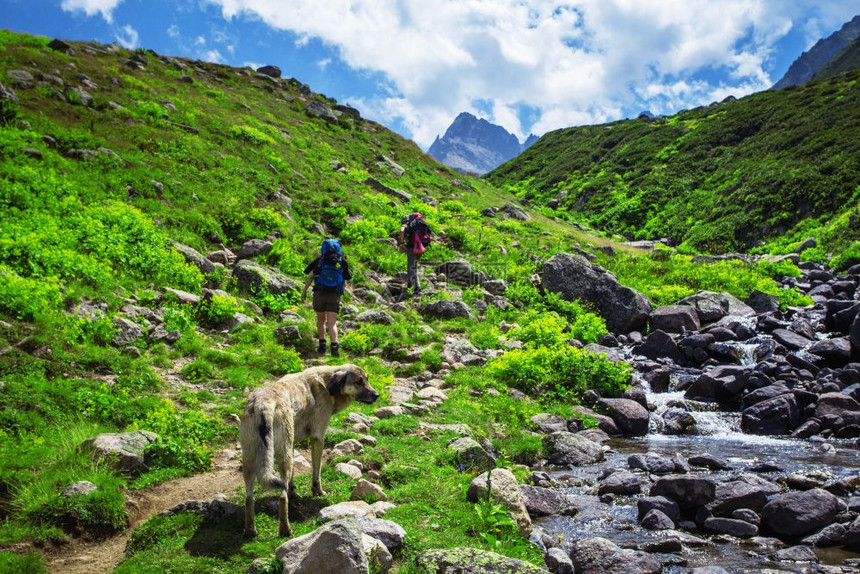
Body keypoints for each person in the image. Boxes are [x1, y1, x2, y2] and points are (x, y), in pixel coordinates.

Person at [301, 238, 351, 357]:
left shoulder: (320, 261)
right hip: (334, 295)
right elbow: (347, 278)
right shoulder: (341, 261)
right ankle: (334, 347)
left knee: (320, 320)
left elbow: (310, 276)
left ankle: (322, 346)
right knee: (332, 323)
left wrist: (303, 292)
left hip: (320, 294)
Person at [399, 212, 432, 295]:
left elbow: (402, 231)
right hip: (421, 248)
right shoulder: (419, 225)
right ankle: (410, 283)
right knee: (411, 265)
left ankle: (417, 287)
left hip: (412, 247)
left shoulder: (407, 225)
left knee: (412, 267)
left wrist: (401, 243)